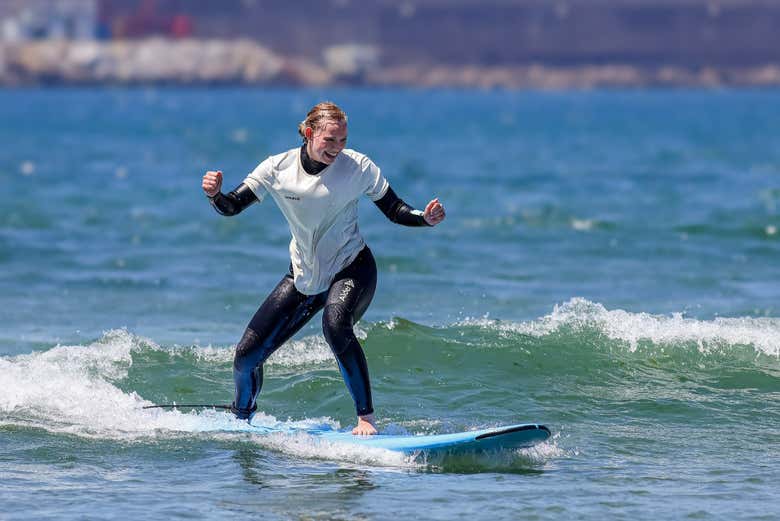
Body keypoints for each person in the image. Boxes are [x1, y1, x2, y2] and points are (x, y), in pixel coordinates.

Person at [201, 102, 445, 435]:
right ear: (309, 133)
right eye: (330, 140)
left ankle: (366, 418)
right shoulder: (277, 168)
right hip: (304, 278)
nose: (337, 148)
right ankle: (242, 415)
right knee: (246, 356)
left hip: (352, 268)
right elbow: (231, 207)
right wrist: (215, 195)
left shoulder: (357, 167)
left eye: (342, 140)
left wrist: (423, 218)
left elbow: (394, 208)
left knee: (335, 324)